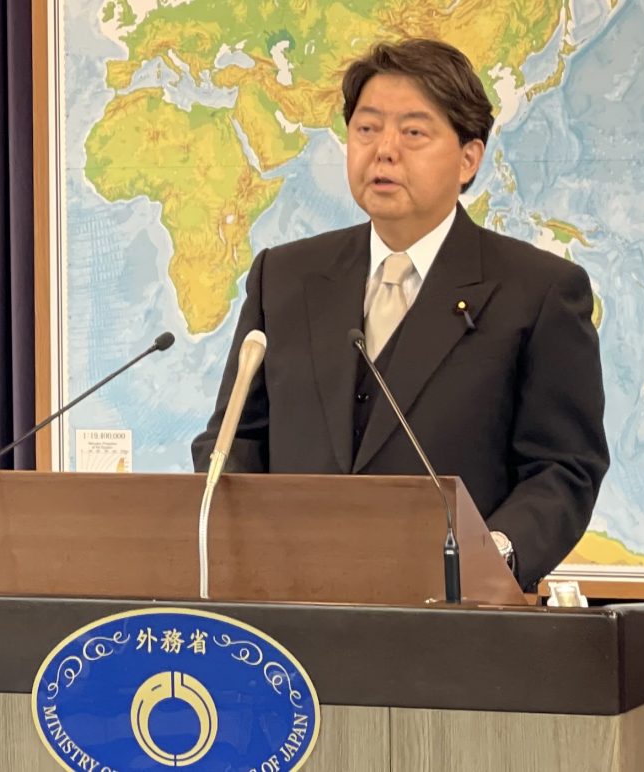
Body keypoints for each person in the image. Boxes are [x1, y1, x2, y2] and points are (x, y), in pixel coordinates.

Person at [191, 38, 609, 590]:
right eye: (367, 129)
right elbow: (234, 438)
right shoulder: (286, 276)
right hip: (292, 611)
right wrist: (244, 550)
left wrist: (491, 559)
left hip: (453, 624)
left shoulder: (538, 291)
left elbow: (564, 467)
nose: (384, 150)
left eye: (413, 132)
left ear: (468, 158)